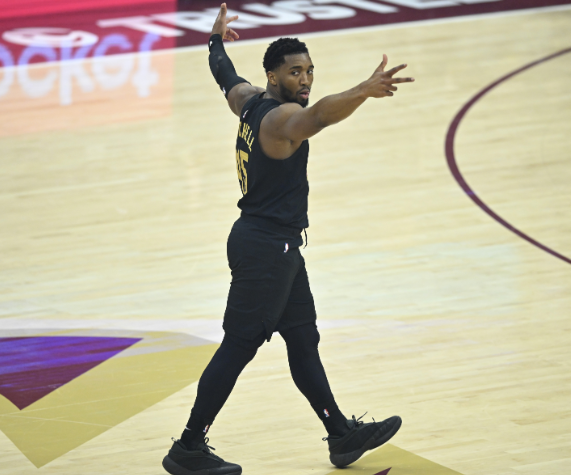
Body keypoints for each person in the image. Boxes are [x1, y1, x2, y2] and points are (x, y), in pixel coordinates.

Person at [162, 4, 414, 475]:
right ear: (273, 77)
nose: (305, 79)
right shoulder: (281, 120)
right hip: (266, 249)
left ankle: (340, 433)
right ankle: (189, 446)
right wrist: (363, 90)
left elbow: (225, 75)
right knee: (238, 346)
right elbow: (319, 115)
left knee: (302, 339)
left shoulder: (249, 100)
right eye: (295, 72)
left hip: (277, 246)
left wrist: (214, 40)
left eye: (310, 70)